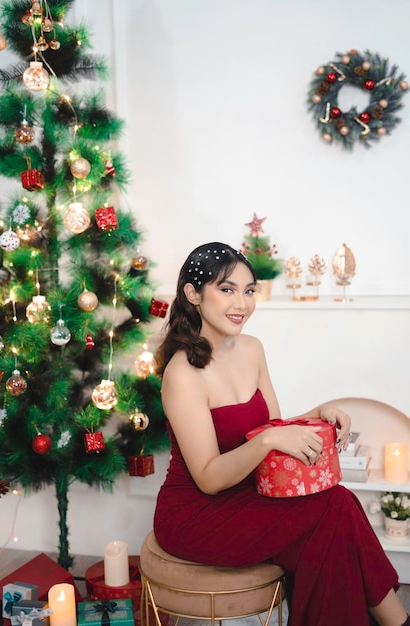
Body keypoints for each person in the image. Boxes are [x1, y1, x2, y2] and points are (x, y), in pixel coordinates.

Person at [153, 241, 409, 626]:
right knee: (335, 507)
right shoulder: (182, 374)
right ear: (193, 294)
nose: (242, 303)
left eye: (249, 290)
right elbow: (208, 478)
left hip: (249, 493)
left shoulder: (252, 349)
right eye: (227, 290)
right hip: (198, 513)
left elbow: (271, 428)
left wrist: (317, 414)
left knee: (333, 517)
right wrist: (268, 441)